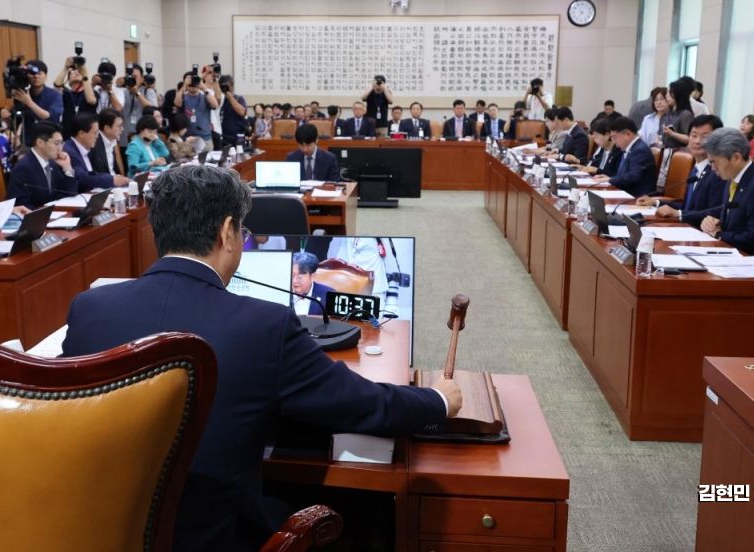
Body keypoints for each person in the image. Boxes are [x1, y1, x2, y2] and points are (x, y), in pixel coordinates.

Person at [59, 164, 461, 551]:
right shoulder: (264, 325)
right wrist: (438, 400)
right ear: (227, 232)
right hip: (219, 537)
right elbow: (359, 403)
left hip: (101, 534)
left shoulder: (89, 308)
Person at [698, 128, 754, 254]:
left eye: (714, 162)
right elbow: (731, 219)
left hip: (749, 257)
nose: (713, 168)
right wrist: (713, 222)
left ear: (736, 157)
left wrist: (719, 234)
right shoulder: (733, 177)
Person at [638, 114, 726, 226]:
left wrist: (678, 214)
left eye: (705, 137)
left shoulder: (718, 173)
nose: (697, 141)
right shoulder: (696, 169)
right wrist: (655, 202)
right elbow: (687, 206)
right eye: (694, 135)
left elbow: (714, 213)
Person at [6, 122, 77, 209]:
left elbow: (70, 193)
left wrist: (67, 168)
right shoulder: (23, 168)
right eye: (56, 143)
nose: (60, 148)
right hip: (36, 215)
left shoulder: (53, 163)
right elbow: (21, 205)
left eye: (61, 143)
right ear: (40, 143)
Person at [63, 112, 129, 192]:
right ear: (81, 133)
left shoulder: (86, 148)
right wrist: (112, 179)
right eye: (94, 133)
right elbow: (82, 177)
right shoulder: (69, 151)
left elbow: (93, 174)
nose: (97, 136)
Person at [592, 116, 656, 197]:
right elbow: (625, 175)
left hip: (637, 197)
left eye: (614, 137)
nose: (613, 142)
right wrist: (610, 177)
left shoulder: (639, 150)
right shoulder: (630, 147)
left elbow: (633, 177)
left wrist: (610, 180)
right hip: (626, 193)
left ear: (627, 134)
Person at [12, 60, 64, 147]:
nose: (36, 76)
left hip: (48, 142)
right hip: (27, 142)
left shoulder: (54, 95)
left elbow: (51, 117)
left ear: (46, 76)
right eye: (32, 74)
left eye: (39, 73)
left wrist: (29, 103)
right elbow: (17, 118)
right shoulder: (22, 94)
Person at [176, 71, 218, 151]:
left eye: (195, 81)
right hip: (188, 139)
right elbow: (177, 103)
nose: (193, 84)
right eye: (190, 81)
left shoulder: (205, 96)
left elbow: (215, 105)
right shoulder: (183, 97)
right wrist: (184, 86)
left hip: (205, 139)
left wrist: (204, 88)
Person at [119, 64, 159, 145]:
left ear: (142, 79)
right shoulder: (122, 92)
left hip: (144, 138)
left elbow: (153, 109)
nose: (132, 79)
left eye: (135, 77)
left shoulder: (148, 91)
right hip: (124, 138)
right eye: (130, 76)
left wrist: (137, 93)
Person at [53, 56, 96, 130]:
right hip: (67, 131)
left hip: (85, 131)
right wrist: (66, 68)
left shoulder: (90, 92)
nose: (76, 72)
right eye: (73, 72)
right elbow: (56, 87)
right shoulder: (67, 93)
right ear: (68, 79)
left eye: (79, 72)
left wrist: (84, 76)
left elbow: (91, 100)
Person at [91, 108, 126, 178]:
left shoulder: (112, 140)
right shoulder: (93, 144)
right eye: (119, 126)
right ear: (107, 128)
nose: (122, 129)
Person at [660, 79, 694, 148]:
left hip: (678, 152)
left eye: (669, 93)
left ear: (677, 94)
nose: (666, 96)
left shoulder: (685, 114)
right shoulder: (667, 113)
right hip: (665, 150)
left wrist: (672, 134)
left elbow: (690, 138)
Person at [217, 75, 248, 147]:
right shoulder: (220, 100)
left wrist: (230, 97)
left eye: (227, 86)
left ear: (232, 86)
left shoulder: (239, 98)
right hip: (223, 136)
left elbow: (242, 112)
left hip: (237, 136)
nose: (225, 88)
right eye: (222, 86)